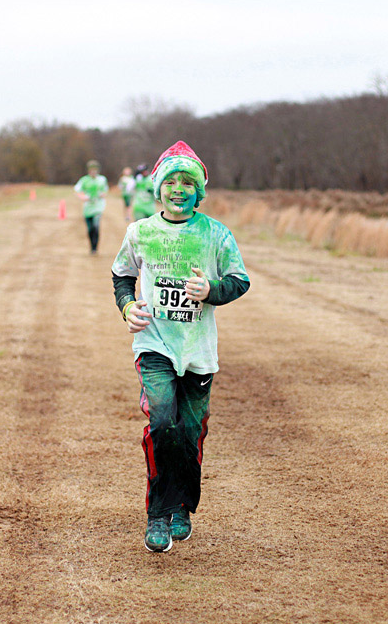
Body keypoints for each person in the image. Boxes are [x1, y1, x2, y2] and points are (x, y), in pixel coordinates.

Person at [111, 141, 250, 553]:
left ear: (198, 191)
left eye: (187, 182)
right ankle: (158, 514)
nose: (178, 189)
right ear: (158, 188)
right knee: (161, 421)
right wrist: (127, 307)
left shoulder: (216, 234)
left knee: (190, 431)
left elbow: (239, 280)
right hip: (154, 344)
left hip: (198, 351)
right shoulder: (140, 232)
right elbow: (122, 277)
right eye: (170, 181)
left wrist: (211, 290)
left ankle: (181, 507)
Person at [74, 160, 108, 254]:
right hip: (88, 207)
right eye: (92, 170)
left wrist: (103, 194)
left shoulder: (102, 179)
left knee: (96, 225)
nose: (93, 172)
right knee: (90, 229)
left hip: (98, 206)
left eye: (95, 170)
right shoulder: (84, 180)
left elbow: (105, 190)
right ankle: (91, 245)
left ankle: (95, 247)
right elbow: (77, 190)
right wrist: (83, 197)